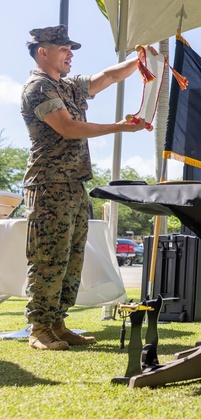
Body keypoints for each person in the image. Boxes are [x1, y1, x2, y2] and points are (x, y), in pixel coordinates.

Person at [21, 25, 145, 350]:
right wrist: (119, 127)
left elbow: (107, 77)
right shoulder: (38, 87)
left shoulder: (70, 87)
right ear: (42, 51)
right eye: (63, 49)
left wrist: (140, 60)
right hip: (48, 186)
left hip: (74, 185)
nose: (70, 54)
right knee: (48, 258)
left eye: (70, 49)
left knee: (71, 259)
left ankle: (57, 324)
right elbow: (68, 127)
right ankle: (39, 329)